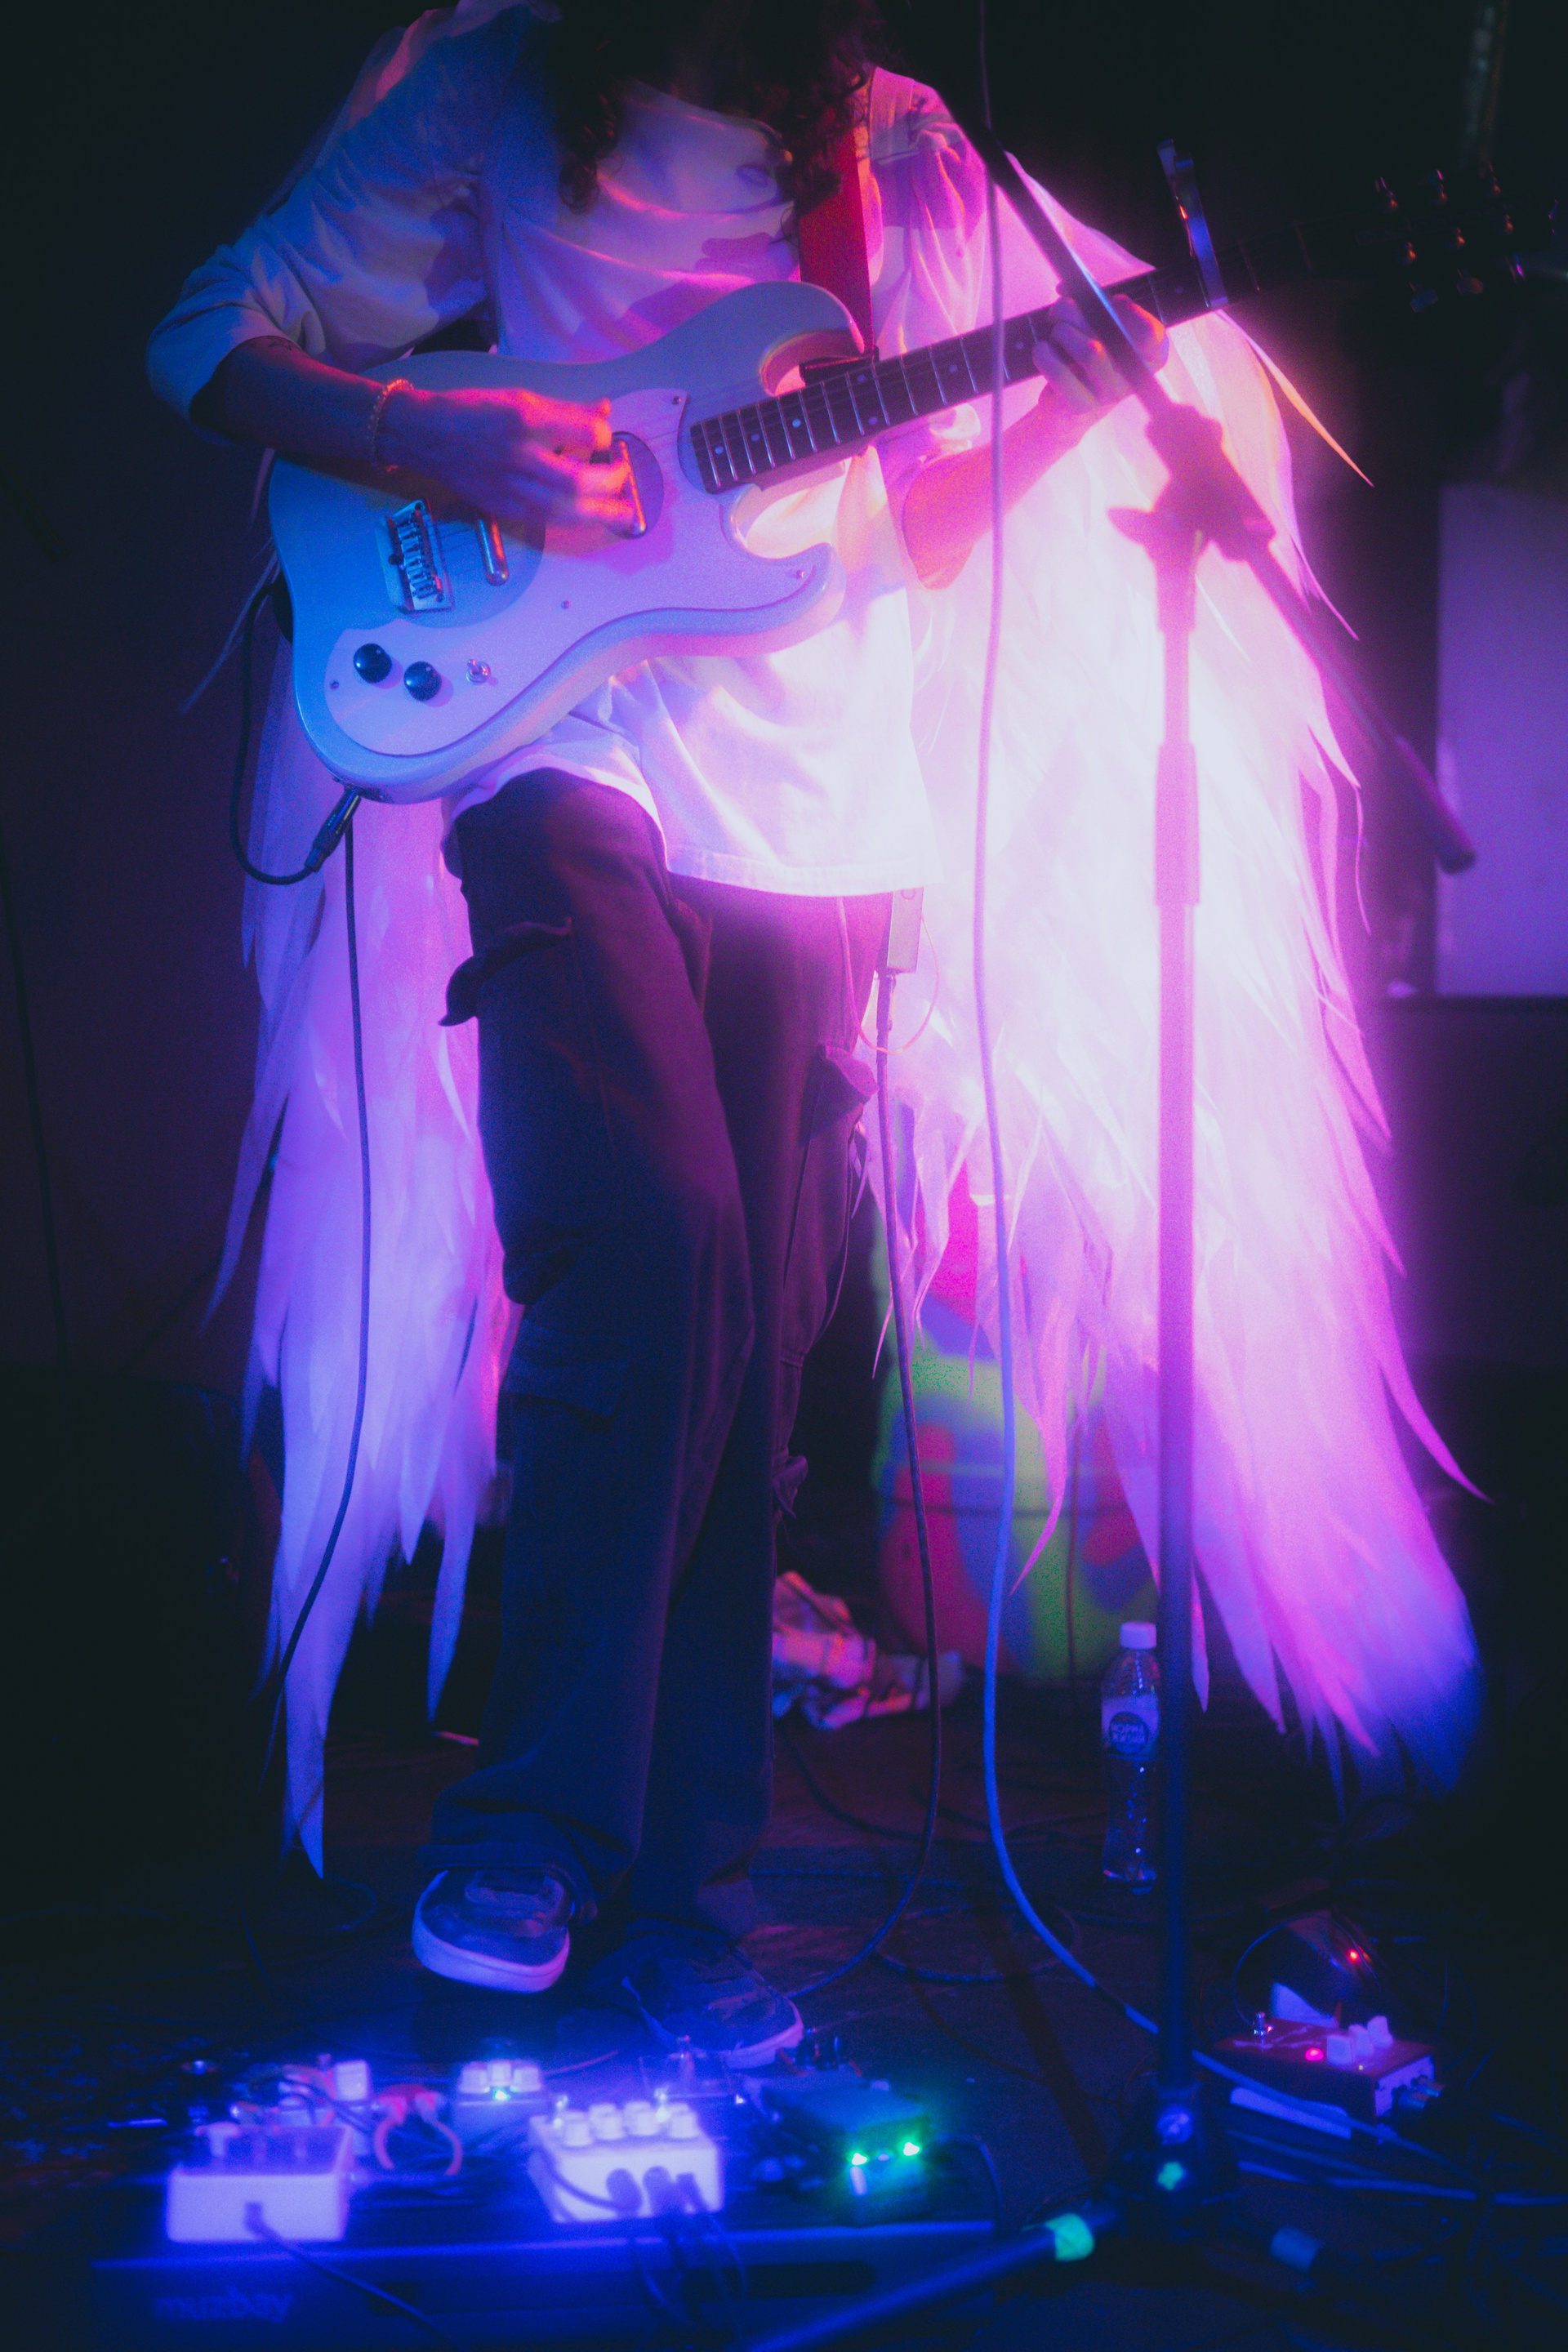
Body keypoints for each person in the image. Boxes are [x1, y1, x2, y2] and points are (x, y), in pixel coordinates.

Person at [149, 1, 1478, 2060]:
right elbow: (205, 336)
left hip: (812, 817)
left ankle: (687, 1907)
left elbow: (917, 529)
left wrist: (1065, 403)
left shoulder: (909, 158)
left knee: (755, 1344)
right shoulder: (494, 82)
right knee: (652, 1237)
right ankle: (530, 1827)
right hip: (561, 741)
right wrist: (436, 436)